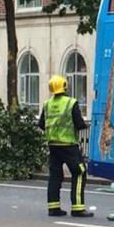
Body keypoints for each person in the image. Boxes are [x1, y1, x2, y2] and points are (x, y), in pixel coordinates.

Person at [38, 76, 92, 218]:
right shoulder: (71, 102)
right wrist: (85, 126)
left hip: (53, 146)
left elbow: (41, 124)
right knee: (79, 172)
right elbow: (79, 123)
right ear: (65, 87)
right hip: (68, 145)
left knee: (55, 176)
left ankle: (53, 208)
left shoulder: (47, 104)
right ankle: (78, 208)